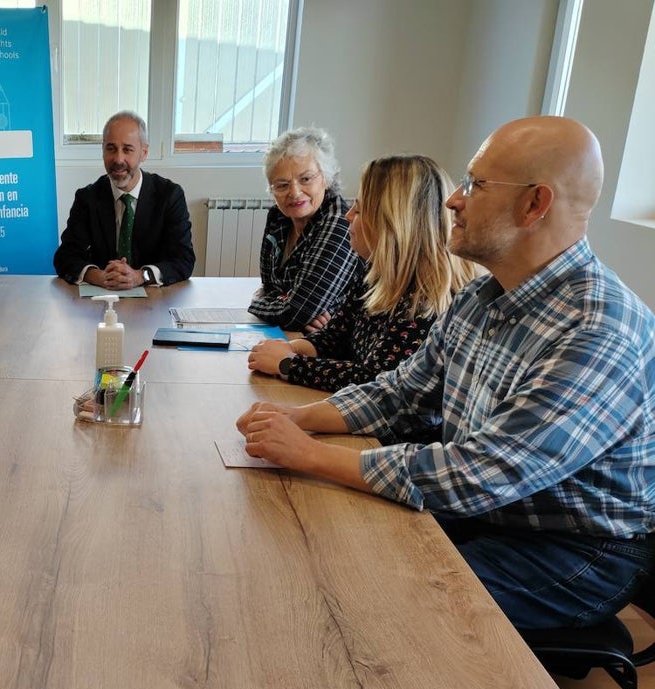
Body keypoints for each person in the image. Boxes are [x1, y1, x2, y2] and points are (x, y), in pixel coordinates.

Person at [237, 116, 655, 631]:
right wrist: (295, 419)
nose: (454, 201)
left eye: (475, 185)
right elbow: (402, 391)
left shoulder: (596, 329)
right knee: (328, 548)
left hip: (572, 548)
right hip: (496, 515)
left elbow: (482, 474)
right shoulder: (482, 296)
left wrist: (310, 454)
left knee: (364, 599)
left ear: (534, 204)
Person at [247, 155, 475, 405]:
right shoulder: (373, 274)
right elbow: (335, 337)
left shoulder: (425, 302)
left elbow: (377, 382)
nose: (349, 215)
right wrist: (290, 347)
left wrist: (288, 364)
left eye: (360, 209)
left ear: (393, 223)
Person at [53, 110, 195, 289]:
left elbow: (184, 259)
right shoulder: (87, 198)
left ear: (144, 153)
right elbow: (65, 256)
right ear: (103, 151)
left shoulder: (169, 196)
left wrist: (141, 275)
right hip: (101, 298)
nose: (118, 159)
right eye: (111, 149)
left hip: (154, 300)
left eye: (127, 149)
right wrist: (98, 276)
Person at [248, 127, 360, 332]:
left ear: (326, 178)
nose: (295, 193)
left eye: (306, 179)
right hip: (289, 334)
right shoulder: (277, 217)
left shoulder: (339, 222)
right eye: (282, 185)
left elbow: (297, 312)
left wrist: (257, 302)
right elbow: (271, 288)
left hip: (332, 340)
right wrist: (284, 303)